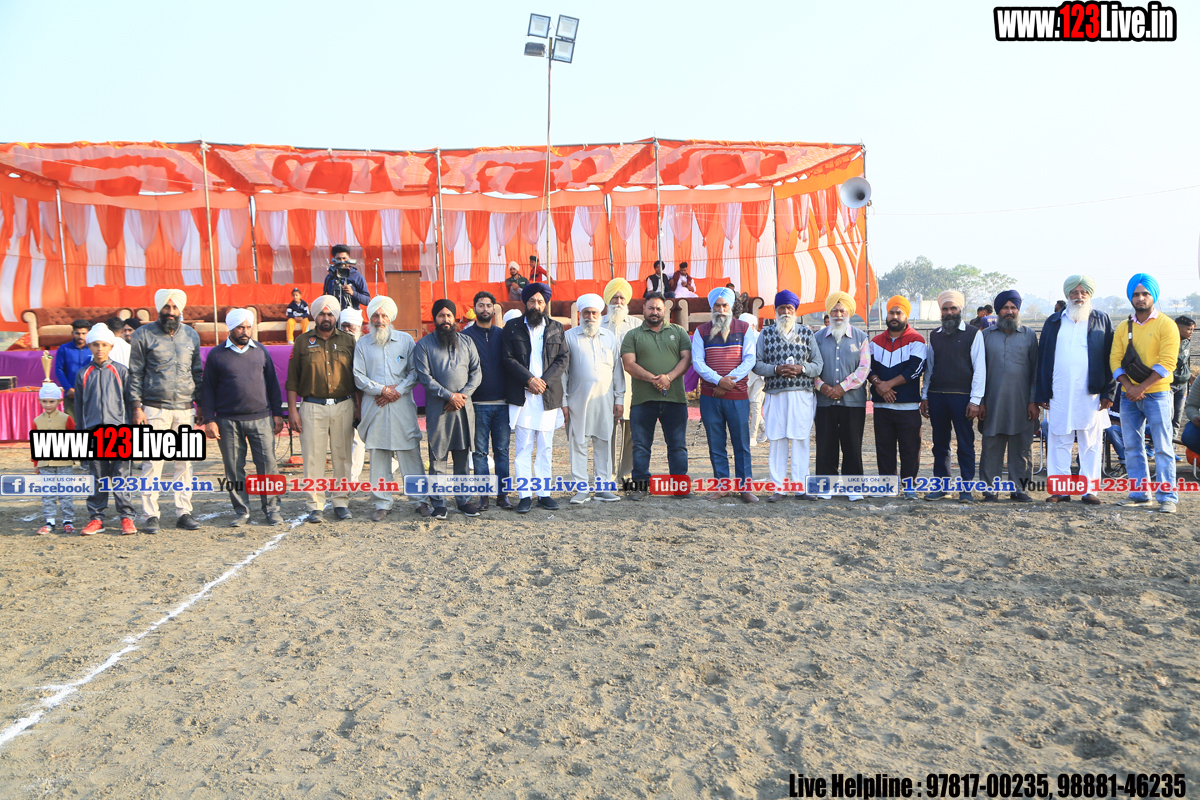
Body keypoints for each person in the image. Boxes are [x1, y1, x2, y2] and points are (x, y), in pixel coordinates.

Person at [200, 308, 285, 527]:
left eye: (248, 327)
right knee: (233, 468)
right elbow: (207, 389)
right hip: (227, 421)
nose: (245, 331)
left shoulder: (261, 351)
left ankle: (272, 510)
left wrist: (278, 414)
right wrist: (209, 419)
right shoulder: (216, 355)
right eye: (240, 327)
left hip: (261, 418)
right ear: (230, 328)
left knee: (267, 466)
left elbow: (273, 385)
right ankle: (241, 511)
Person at [128, 289, 203, 533]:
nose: (170, 312)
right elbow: (135, 373)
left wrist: (200, 404)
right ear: (159, 308)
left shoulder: (191, 335)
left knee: (185, 462)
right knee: (152, 463)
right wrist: (137, 407)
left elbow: (197, 372)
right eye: (166, 307)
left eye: (174, 307)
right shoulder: (142, 334)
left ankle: (184, 512)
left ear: (181, 310)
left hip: (184, 408)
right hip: (154, 408)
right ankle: (151, 515)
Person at [1035, 275, 1114, 506]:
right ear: (1067, 295)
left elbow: (1111, 358)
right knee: (1059, 439)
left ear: (1089, 295)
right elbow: (1042, 358)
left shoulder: (1101, 319)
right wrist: (1042, 392)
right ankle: (1060, 490)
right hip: (1058, 392)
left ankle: (1090, 490)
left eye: (1083, 292)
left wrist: (1108, 393)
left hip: (1091, 394)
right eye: (1074, 292)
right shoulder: (1053, 321)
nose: (1079, 296)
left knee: (1091, 441)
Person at [1110, 273, 1181, 513]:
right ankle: (1139, 494)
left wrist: (1141, 388)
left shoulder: (1166, 325)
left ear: (1153, 296)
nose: (1141, 298)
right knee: (1132, 447)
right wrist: (1129, 387)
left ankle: (1167, 497)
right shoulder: (1124, 327)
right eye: (1136, 294)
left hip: (1158, 394)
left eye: (1145, 294)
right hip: (1128, 396)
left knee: (1162, 446)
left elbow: (1168, 362)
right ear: (1131, 297)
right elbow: (1114, 360)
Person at [286, 295, 358, 523]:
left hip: (343, 405)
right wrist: (292, 411)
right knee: (312, 457)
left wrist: (358, 408)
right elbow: (292, 380)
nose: (326, 318)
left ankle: (341, 502)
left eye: (330, 314)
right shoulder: (302, 342)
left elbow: (357, 378)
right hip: (312, 406)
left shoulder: (349, 341)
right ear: (315, 316)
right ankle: (315, 505)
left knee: (343, 457)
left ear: (335, 317)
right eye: (322, 314)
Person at [353, 296, 427, 521]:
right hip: (375, 406)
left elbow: (415, 372)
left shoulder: (405, 340)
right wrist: (382, 390)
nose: (380, 320)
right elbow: (358, 376)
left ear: (391, 317)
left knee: (410, 451)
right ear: (370, 318)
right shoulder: (362, 344)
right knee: (378, 454)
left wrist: (397, 391)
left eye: (384, 315)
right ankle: (382, 503)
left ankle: (420, 500)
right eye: (375, 315)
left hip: (401, 406)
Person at [503, 283, 569, 513]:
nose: (536, 305)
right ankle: (524, 496)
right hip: (523, 396)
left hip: (547, 396)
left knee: (545, 447)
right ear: (526, 302)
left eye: (540, 302)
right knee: (523, 448)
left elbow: (562, 358)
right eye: (532, 301)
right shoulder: (512, 327)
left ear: (545, 304)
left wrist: (543, 381)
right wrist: (529, 379)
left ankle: (544, 494)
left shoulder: (556, 328)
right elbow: (507, 358)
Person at [414, 299, 482, 519]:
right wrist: (449, 396)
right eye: (441, 315)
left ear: (455, 318)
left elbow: (476, 373)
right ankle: (439, 503)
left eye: (449, 315)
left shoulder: (467, 342)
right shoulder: (424, 345)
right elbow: (425, 377)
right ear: (435, 319)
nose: (445, 319)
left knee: (462, 457)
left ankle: (463, 501)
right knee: (438, 457)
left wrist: (462, 395)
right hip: (439, 409)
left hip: (463, 408)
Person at [621, 292, 692, 500]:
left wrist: (668, 378)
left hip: (675, 399)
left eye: (658, 308)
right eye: (651, 308)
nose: (654, 312)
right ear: (643, 309)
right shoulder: (633, 335)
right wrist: (654, 379)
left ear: (665, 310)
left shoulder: (678, 332)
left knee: (677, 446)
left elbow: (687, 359)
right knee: (641, 446)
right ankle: (640, 486)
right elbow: (629, 364)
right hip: (643, 401)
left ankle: (680, 487)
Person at [753, 290, 822, 502]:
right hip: (776, 394)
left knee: (801, 439)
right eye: (781, 308)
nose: (785, 312)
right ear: (776, 310)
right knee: (777, 439)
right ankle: (779, 488)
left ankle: (801, 488)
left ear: (795, 311)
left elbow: (818, 365)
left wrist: (802, 369)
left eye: (789, 308)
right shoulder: (766, 334)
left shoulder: (807, 333)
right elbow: (757, 364)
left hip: (802, 395)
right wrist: (776, 369)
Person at [692, 287, 758, 503]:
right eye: (717, 306)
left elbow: (749, 359)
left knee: (742, 443)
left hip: (737, 397)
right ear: (712, 308)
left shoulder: (745, 328)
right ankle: (722, 486)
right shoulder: (701, 331)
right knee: (716, 443)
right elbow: (698, 362)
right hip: (710, 397)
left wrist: (728, 381)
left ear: (731, 307)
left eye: (724, 306)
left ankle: (745, 488)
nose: (721, 310)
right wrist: (718, 381)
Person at [921, 290, 986, 502]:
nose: (949, 312)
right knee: (940, 444)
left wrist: (975, 401)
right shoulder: (935, 335)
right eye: (945, 309)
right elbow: (930, 368)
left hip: (963, 398)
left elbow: (980, 369)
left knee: (965, 444)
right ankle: (942, 486)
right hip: (937, 396)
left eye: (953, 308)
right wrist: (925, 395)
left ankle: (966, 489)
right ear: (941, 311)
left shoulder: (973, 334)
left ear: (960, 310)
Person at [977, 291, 1038, 502]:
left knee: (1022, 447)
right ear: (998, 311)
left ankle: (1019, 489)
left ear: (1018, 310)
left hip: (1022, 402)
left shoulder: (1029, 335)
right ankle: (990, 490)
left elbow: (1035, 371)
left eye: (1013, 308)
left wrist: (1033, 401)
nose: (1009, 311)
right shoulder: (985, 336)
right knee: (991, 446)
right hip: (992, 402)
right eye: (1005, 307)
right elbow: (979, 372)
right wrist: (980, 402)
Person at [77, 324, 137, 536]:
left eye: (104, 344)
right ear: (89, 346)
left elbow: (130, 403)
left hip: (120, 433)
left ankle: (126, 517)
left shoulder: (121, 371)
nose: (99, 348)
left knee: (121, 475)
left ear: (111, 346)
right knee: (97, 476)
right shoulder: (83, 373)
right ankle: (96, 518)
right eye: (95, 344)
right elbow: (79, 409)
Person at [564, 294, 624, 503]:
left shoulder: (610, 337)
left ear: (600, 314)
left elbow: (617, 371)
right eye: (586, 313)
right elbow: (563, 373)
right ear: (580, 315)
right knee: (578, 443)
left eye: (594, 313)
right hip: (577, 400)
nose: (590, 317)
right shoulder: (569, 337)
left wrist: (619, 399)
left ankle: (603, 487)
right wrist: (563, 402)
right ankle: (581, 489)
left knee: (604, 442)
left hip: (605, 401)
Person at [813, 292, 871, 501]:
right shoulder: (817, 338)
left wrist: (842, 388)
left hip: (853, 402)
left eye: (842, 311)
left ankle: (853, 487)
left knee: (852, 445)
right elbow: (812, 367)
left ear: (849, 313)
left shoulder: (861, 337)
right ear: (829, 313)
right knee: (825, 444)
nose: (838, 315)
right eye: (835, 311)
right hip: (824, 401)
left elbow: (864, 368)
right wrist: (822, 387)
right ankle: (826, 486)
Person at [868, 296, 926, 500]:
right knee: (884, 448)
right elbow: (867, 367)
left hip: (908, 406)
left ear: (906, 315)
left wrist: (888, 384)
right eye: (891, 312)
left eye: (899, 313)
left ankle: (909, 486)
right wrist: (879, 384)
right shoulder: (875, 342)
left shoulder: (917, 340)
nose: (894, 316)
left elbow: (915, 369)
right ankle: (887, 486)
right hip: (882, 406)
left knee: (910, 448)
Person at [463, 291, 514, 510]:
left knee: (502, 451)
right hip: (477, 404)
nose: (485, 309)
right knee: (479, 453)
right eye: (481, 305)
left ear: (494, 309)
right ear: (474, 308)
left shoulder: (503, 335)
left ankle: (503, 495)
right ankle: (483, 496)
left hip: (502, 404)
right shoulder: (465, 337)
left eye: (488, 305)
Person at [602, 278, 642, 487]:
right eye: (614, 298)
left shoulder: (637, 325)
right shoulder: (598, 324)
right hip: (605, 387)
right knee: (606, 432)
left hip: (632, 386)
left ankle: (625, 476)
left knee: (630, 432)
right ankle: (607, 475)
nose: (618, 302)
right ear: (607, 300)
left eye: (622, 298)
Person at [32, 382, 76, 535]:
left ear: (59, 401)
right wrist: (36, 463)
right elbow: (35, 443)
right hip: (45, 463)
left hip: (64, 462)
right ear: (39, 401)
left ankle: (68, 521)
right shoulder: (37, 420)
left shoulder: (66, 419)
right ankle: (50, 521)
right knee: (48, 493)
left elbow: (74, 438)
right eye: (44, 401)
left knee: (65, 492)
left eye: (51, 401)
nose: (48, 404)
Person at [339, 308, 367, 480]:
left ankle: (351, 479)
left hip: (365, 398)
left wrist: (359, 404)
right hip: (342, 399)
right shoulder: (335, 346)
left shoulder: (366, 346)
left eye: (350, 326)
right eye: (343, 326)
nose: (347, 330)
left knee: (359, 437)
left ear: (359, 328)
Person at [54, 319, 92, 422]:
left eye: (83, 333)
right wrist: (68, 388)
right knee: (72, 425)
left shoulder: (93, 348)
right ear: (72, 333)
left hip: (91, 394)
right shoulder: (64, 349)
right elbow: (59, 370)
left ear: (88, 333)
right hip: (71, 395)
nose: (80, 336)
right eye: (77, 333)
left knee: (91, 424)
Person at [740, 313, 766, 447]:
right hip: (745, 376)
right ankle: (765, 428)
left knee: (756, 405)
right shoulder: (738, 338)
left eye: (746, 326)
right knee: (748, 406)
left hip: (759, 376)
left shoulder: (761, 338)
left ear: (753, 326)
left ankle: (752, 436)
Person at [323, 244, 370, 311]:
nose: (342, 261)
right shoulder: (330, 277)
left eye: (344, 258)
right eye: (338, 259)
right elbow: (325, 295)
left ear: (349, 259)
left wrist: (352, 293)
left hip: (351, 314)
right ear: (333, 260)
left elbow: (367, 300)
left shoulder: (357, 277)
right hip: (334, 313)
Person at [1172, 315, 1194, 444]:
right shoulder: (1169, 341)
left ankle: (1173, 446)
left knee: (1177, 417)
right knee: (1166, 416)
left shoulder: (1186, 343)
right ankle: (1155, 445)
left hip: (1182, 384)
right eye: (1189, 329)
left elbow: (1184, 363)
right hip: (1169, 384)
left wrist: (1190, 376)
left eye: (1192, 329)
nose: (1191, 332)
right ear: (1178, 328)